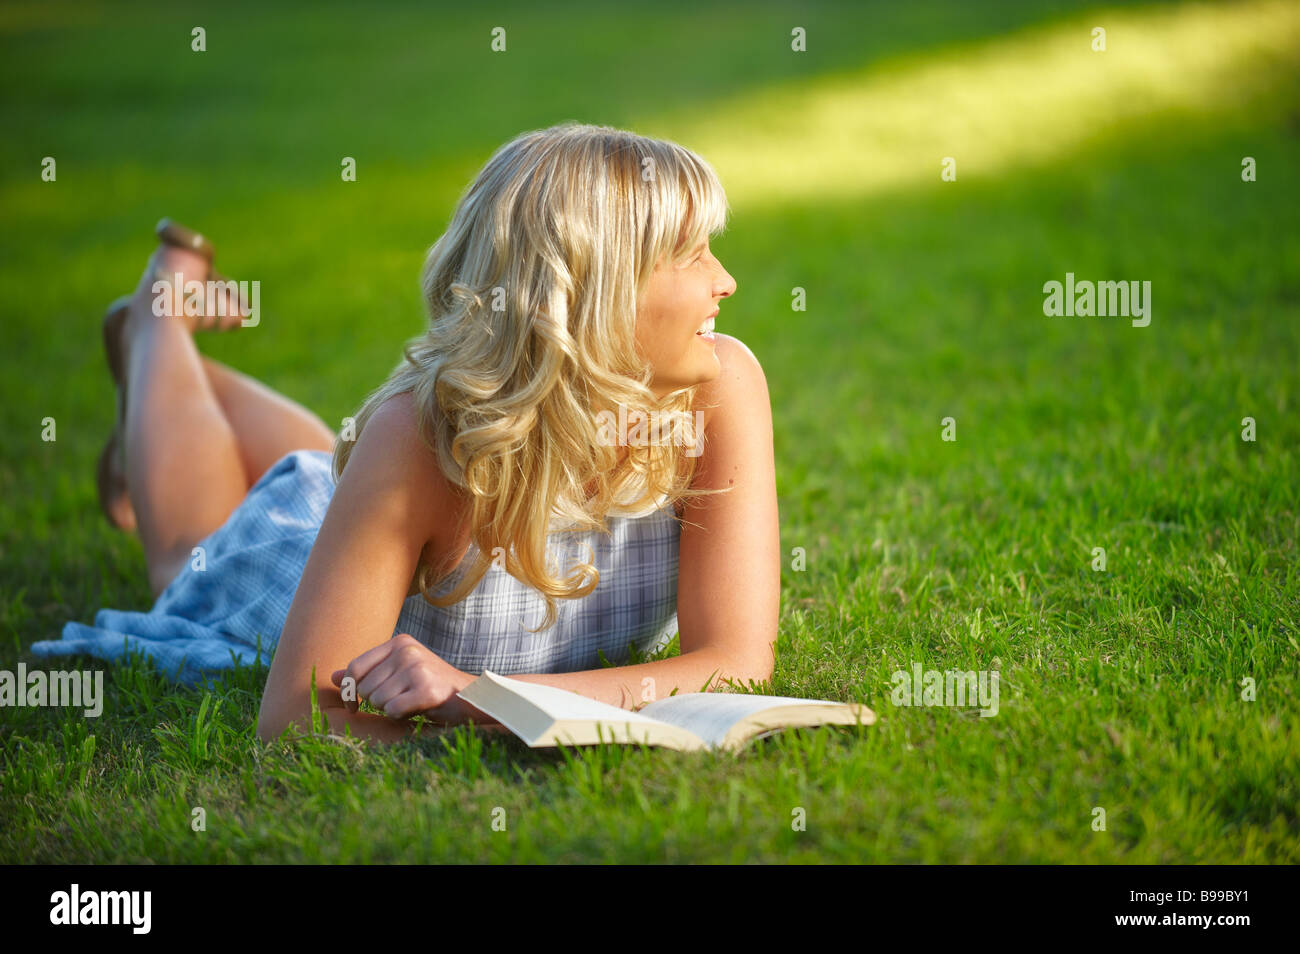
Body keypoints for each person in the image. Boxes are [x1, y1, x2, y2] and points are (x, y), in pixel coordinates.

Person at [39, 122, 779, 745]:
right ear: (595, 290)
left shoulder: (720, 389)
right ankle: (156, 322)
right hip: (296, 558)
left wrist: (475, 696)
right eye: (690, 254)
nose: (726, 281)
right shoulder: (422, 441)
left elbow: (735, 662)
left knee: (314, 469)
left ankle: (163, 356)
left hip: (357, 504)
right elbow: (298, 718)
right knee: (182, 561)